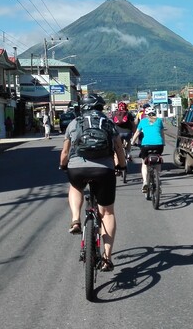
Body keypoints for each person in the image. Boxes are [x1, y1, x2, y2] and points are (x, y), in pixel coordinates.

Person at [59, 93, 126, 272]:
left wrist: (63, 165)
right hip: (104, 170)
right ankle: (106, 258)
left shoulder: (74, 123)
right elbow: (119, 148)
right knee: (107, 213)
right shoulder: (108, 123)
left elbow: (65, 153)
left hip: (77, 168)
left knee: (75, 187)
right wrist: (122, 165)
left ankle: (75, 220)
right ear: (100, 108)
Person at [131, 106, 165, 194]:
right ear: (155, 114)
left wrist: (132, 142)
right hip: (159, 145)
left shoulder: (143, 121)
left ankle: (145, 182)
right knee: (158, 160)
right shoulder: (159, 121)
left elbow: (137, 133)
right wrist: (163, 143)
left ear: (146, 114)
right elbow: (162, 134)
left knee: (144, 163)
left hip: (146, 145)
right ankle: (158, 178)